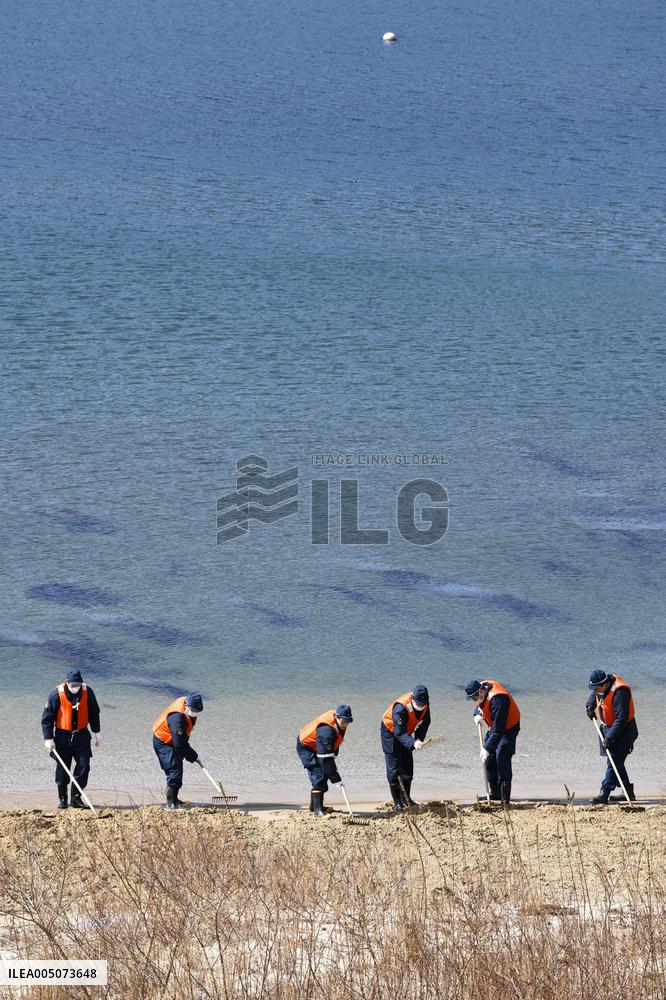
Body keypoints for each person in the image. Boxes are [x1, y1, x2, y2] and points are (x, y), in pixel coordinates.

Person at [41, 668, 101, 809]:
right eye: (73, 685)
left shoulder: (88, 692)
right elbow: (47, 718)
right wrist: (48, 738)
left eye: (78, 685)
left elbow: (94, 713)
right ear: (67, 682)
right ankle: (63, 798)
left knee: (84, 766)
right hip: (63, 736)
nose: (76, 688)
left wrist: (97, 732)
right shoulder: (56, 695)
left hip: (82, 735)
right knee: (63, 768)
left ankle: (76, 798)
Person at [586, 669, 638, 804]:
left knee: (614, 760)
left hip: (624, 730)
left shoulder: (620, 692)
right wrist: (590, 706)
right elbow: (594, 694)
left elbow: (621, 719)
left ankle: (604, 793)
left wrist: (609, 738)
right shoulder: (600, 687)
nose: (595, 691)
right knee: (616, 762)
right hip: (608, 727)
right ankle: (628, 792)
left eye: (597, 688)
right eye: (594, 688)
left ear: (605, 685)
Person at [465, 678, 520, 804]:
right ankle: (495, 794)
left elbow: (499, 730)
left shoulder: (498, 700)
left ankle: (505, 800)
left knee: (502, 757)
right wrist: (477, 714)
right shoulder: (481, 689)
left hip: (509, 727)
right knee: (489, 758)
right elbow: (480, 705)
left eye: (474, 698)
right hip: (495, 727)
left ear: (480, 692)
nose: (474, 701)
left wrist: (487, 748)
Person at [296, 705, 353, 817]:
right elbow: (325, 759)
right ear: (337, 717)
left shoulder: (341, 722)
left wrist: (333, 759)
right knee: (318, 775)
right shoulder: (326, 730)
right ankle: (318, 811)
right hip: (306, 746)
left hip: (319, 745)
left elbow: (335, 742)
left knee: (325, 772)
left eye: (348, 721)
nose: (346, 724)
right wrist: (336, 779)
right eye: (344, 721)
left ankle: (314, 806)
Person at [381, 685, 430, 811]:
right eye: (418, 704)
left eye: (423, 704)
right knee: (394, 768)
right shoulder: (401, 708)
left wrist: (418, 739)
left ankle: (407, 799)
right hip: (390, 732)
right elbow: (399, 733)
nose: (421, 706)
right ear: (412, 698)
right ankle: (397, 802)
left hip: (406, 733)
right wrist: (412, 743)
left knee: (407, 766)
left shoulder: (425, 703)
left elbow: (425, 722)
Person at [152, 692, 204, 808]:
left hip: (174, 740)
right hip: (163, 742)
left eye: (197, 710)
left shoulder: (188, 706)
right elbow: (179, 745)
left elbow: (181, 741)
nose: (195, 712)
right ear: (187, 705)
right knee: (174, 772)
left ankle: (175, 799)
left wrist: (191, 755)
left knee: (177, 771)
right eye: (193, 710)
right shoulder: (177, 719)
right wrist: (194, 756)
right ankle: (170, 803)